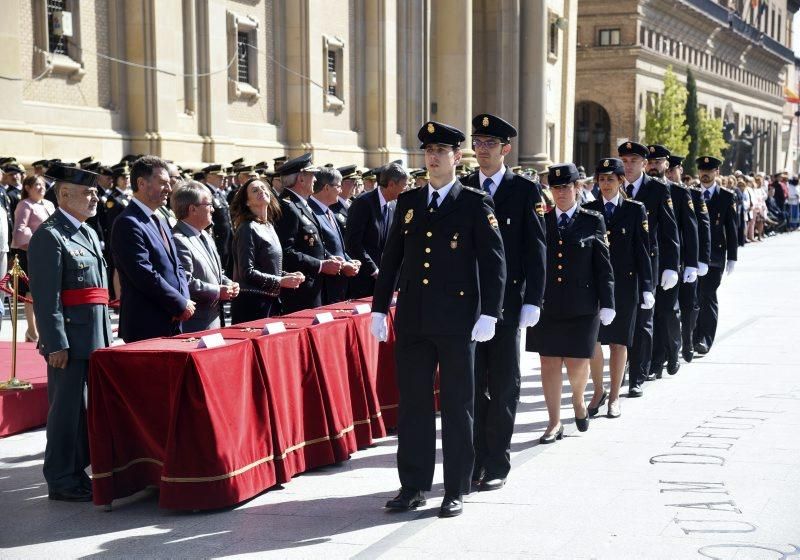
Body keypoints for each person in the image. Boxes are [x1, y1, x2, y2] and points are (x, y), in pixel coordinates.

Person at [372, 121, 506, 518]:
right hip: (413, 317)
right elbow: (392, 257)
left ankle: (455, 488)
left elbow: (494, 262)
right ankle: (412, 485)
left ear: (456, 157)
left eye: (441, 151)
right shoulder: (410, 202)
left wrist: (490, 312)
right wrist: (380, 307)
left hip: (457, 319)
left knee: (457, 403)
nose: (433, 158)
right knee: (413, 404)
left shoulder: (473, 201)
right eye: (428, 151)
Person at [461, 113, 546, 491]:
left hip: (509, 305)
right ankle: (476, 459)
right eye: (477, 143)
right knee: (473, 386)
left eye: (490, 144)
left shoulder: (525, 191)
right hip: (468, 304)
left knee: (505, 383)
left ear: (506, 148)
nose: (482, 150)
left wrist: (534, 299)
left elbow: (536, 249)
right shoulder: (463, 188)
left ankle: (497, 461)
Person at [28, 164, 113, 502]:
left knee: (85, 412)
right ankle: (61, 478)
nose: (95, 197)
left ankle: (78, 471)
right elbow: (46, 297)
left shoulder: (88, 232)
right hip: (70, 341)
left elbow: (98, 291)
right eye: (87, 192)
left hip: (94, 337)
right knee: (66, 413)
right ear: (63, 194)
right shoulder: (50, 235)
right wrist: (55, 342)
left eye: (95, 191)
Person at [526, 163, 614, 441]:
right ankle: (554, 422)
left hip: (582, 305)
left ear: (577, 188)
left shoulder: (592, 220)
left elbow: (603, 266)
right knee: (549, 363)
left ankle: (577, 401)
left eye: (566, 186)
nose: (561, 192)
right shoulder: (542, 220)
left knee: (577, 364)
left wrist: (608, 302)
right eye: (555, 187)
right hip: (548, 303)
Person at [586, 158, 652, 419]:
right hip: (595, 286)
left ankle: (615, 396)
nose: (605, 184)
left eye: (610, 179)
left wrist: (647, 286)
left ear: (621, 181)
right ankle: (598, 389)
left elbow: (643, 250)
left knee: (618, 343)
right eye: (601, 179)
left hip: (625, 285)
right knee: (593, 342)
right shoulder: (589, 210)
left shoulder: (635, 210)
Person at [618, 141, 680, 397]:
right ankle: (621, 369)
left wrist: (671, 266)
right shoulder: (614, 185)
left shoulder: (656, 189)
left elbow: (670, 229)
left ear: (644, 164)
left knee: (645, 321)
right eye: (625, 160)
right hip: (619, 265)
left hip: (647, 264)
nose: (628, 165)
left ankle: (638, 376)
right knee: (623, 321)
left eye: (634, 161)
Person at [111, 156, 194, 342]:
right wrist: (178, 303)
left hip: (174, 319)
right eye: (163, 183)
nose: (170, 189)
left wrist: (183, 301)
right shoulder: (128, 222)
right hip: (147, 324)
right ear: (141, 183)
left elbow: (177, 265)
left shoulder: (161, 219)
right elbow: (143, 274)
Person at [645, 145, 698, 379]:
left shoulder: (678, 192)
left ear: (667, 165)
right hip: (648, 263)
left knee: (668, 312)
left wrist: (693, 263)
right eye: (650, 162)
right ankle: (655, 362)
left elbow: (690, 229)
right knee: (652, 314)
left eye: (658, 162)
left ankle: (673, 351)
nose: (654, 166)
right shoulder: (642, 190)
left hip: (671, 262)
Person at [275, 153, 344, 313]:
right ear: (301, 179)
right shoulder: (288, 207)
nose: (315, 180)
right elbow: (286, 252)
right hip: (300, 292)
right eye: (312, 175)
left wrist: (328, 257)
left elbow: (313, 244)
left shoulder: (302, 204)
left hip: (313, 287)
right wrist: (320, 265)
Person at [230, 177, 305, 322]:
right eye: (255, 190)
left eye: (264, 188)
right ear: (247, 202)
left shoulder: (268, 226)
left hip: (270, 302)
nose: (261, 191)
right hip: (252, 305)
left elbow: (268, 267)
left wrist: (288, 276)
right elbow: (247, 272)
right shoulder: (248, 228)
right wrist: (280, 281)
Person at [171, 181, 240, 332]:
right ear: (193, 209)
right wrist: (217, 291)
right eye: (208, 204)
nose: (213, 209)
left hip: (214, 320)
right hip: (195, 325)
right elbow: (185, 282)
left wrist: (229, 284)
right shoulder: (178, 239)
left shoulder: (205, 235)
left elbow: (216, 273)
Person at [666, 155, 711, 363]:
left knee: (689, 303)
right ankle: (671, 346)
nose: (668, 174)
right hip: (668, 260)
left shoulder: (692, 194)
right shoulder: (655, 192)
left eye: (672, 170)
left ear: (680, 171)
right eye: (667, 170)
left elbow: (701, 228)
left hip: (686, 258)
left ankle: (688, 340)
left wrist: (700, 260)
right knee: (669, 308)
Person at [693, 156, 738, 355]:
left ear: (716, 172)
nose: (705, 173)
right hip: (693, 256)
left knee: (707, 295)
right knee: (693, 298)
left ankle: (704, 338)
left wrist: (733, 257)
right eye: (702, 170)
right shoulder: (690, 194)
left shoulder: (726, 197)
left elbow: (732, 229)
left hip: (716, 256)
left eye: (709, 170)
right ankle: (692, 337)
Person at [344, 162, 406, 298]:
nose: (405, 189)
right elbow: (353, 243)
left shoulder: (394, 205)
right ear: (391, 184)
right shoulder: (363, 203)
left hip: (384, 280)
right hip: (363, 280)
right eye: (403, 186)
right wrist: (373, 270)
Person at [12, 175, 56, 342]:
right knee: (31, 293)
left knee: (47, 292)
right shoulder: (25, 205)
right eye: (36, 184)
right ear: (27, 188)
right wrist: (39, 239)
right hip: (31, 252)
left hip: (50, 253)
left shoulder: (49, 204)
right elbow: (19, 230)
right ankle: (32, 330)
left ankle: (44, 327)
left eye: (43, 185)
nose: (41, 187)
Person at [308, 167, 361, 303]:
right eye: (338, 186)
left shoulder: (328, 210)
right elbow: (317, 248)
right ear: (326, 188)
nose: (341, 190)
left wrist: (348, 260)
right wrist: (343, 265)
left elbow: (338, 246)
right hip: (324, 286)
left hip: (338, 284)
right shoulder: (311, 211)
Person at [202, 164, 235, 276]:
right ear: (210, 177)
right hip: (216, 238)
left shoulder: (219, 193)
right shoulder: (206, 193)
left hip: (225, 239)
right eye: (219, 177)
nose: (223, 179)